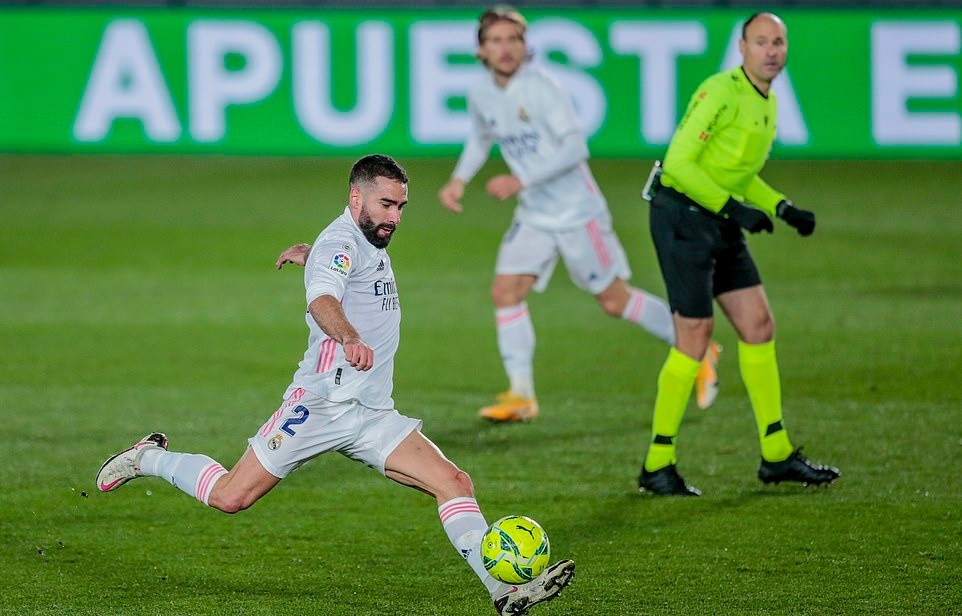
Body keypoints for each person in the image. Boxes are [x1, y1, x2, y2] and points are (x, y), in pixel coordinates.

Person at [95, 154, 575, 615]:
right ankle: (148, 457)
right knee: (230, 497)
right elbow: (323, 297)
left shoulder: (354, 243)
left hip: (371, 413)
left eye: (401, 206)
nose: (395, 217)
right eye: (386, 205)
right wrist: (347, 334)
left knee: (454, 482)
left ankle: (503, 592)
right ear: (355, 198)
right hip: (321, 404)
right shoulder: (340, 245)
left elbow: (339, 268)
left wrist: (312, 254)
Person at [437, 6, 721, 422]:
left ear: (525, 46)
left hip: (577, 214)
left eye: (514, 39)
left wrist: (521, 180)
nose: (506, 48)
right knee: (506, 291)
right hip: (536, 215)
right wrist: (459, 179)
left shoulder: (543, 88)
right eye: (496, 40)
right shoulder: (481, 93)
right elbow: (481, 137)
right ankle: (521, 395)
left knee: (613, 300)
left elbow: (575, 149)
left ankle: (698, 346)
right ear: (480, 50)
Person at [638, 13, 840, 496]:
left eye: (779, 42)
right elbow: (681, 163)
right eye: (761, 42)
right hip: (681, 217)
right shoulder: (720, 91)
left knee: (758, 325)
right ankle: (657, 463)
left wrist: (781, 207)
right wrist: (736, 210)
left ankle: (776, 454)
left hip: (719, 216)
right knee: (695, 337)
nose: (771, 51)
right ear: (743, 47)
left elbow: (737, 171)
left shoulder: (765, 101)